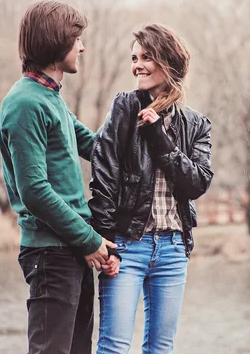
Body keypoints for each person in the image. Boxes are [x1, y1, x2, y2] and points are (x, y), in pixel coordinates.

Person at [0, 0, 118, 354]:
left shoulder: (50, 99)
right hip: (51, 252)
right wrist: (89, 240)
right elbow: (33, 191)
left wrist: (148, 129)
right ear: (56, 41)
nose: (81, 46)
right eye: (76, 38)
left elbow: (96, 147)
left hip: (72, 248)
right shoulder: (24, 103)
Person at [89, 23, 213, 353]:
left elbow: (197, 183)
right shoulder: (125, 108)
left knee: (160, 349)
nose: (137, 65)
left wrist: (159, 136)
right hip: (128, 246)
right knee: (113, 347)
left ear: (169, 62)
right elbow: (104, 174)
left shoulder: (196, 125)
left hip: (173, 248)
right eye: (134, 58)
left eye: (147, 57)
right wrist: (106, 242)